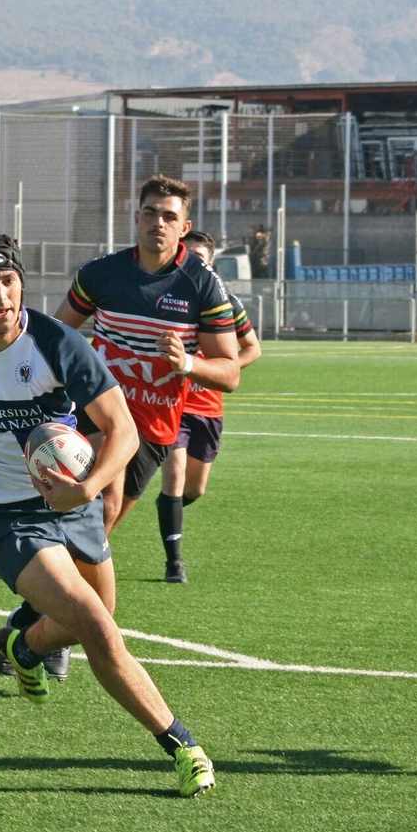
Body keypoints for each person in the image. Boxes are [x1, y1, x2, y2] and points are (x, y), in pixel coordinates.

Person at [0, 233, 217, 796]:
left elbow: (122, 431)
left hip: (72, 502)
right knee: (97, 625)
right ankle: (183, 745)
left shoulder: (57, 342)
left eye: (8, 281)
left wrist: (87, 488)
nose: (0, 295)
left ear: (21, 284)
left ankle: (26, 645)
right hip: (5, 516)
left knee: (96, 613)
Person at [53, 175, 242, 538]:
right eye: (150, 213)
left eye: (169, 217)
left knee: (103, 525)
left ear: (184, 227)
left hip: (155, 421)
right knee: (101, 505)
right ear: (137, 218)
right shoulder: (101, 273)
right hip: (99, 404)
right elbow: (58, 332)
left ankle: (52, 589)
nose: (159, 222)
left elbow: (230, 373)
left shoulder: (202, 285)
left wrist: (185, 362)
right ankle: (49, 590)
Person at [155, 230, 261, 583]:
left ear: (211, 263)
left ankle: (167, 513)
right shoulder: (168, 295)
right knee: (174, 476)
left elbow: (252, 349)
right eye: (190, 255)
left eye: (201, 258)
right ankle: (175, 563)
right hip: (172, 402)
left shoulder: (224, 299)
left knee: (194, 489)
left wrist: (214, 369)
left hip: (209, 406)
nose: (194, 262)